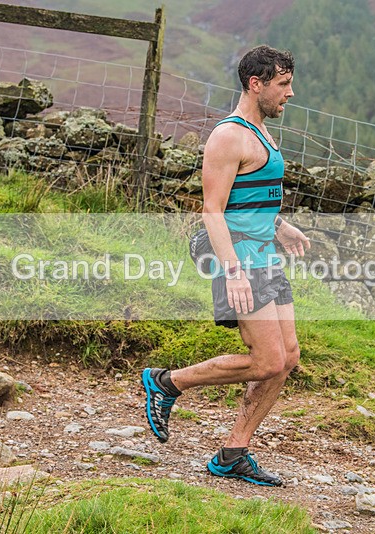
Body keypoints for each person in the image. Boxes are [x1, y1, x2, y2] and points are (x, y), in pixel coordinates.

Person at [142, 45, 310, 487]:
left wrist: (280, 225)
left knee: (287, 358)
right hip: (238, 257)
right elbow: (213, 210)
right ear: (256, 85)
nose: (290, 93)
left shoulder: (263, 131)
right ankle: (167, 382)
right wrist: (232, 271)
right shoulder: (228, 136)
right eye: (283, 84)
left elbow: (247, 198)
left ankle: (233, 452)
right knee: (267, 359)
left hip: (265, 254)